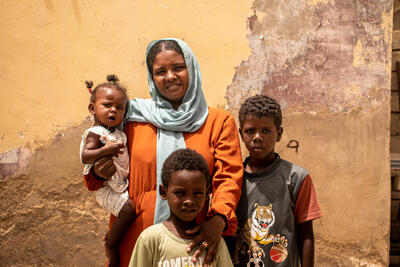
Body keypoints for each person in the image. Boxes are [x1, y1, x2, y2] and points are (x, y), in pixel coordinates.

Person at [83, 38, 243, 267]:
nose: (170, 77)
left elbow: (229, 178)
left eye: (178, 67)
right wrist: (98, 172)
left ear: (192, 68)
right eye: (160, 71)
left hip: (194, 241)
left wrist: (218, 219)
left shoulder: (218, 122)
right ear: (151, 76)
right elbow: (93, 178)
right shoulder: (129, 118)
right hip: (135, 238)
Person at [226, 95, 322, 267]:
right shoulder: (232, 178)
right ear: (241, 134)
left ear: (279, 133)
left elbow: (306, 234)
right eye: (250, 131)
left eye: (266, 130)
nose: (257, 137)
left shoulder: (296, 178)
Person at [129, 148, 233, 267]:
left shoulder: (213, 241)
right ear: (163, 192)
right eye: (180, 193)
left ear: (206, 193)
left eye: (197, 193)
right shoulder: (151, 239)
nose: (189, 201)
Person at [80, 74, 136, 267]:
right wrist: (105, 150)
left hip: (119, 185)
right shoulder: (95, 133)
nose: (113, 110)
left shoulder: (118, 132)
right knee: (128, 210)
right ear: (92, 109)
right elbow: (85, 156)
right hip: (105, 188)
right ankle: (111, 245)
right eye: (107, 105)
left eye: (119, 108)